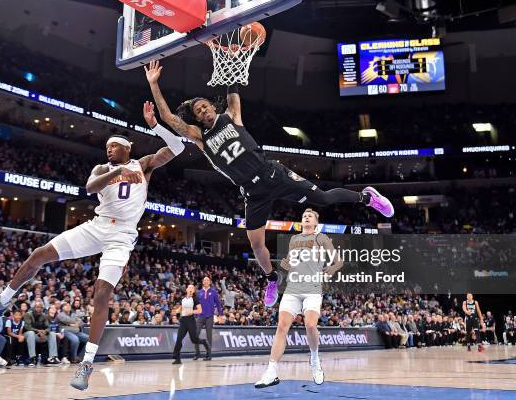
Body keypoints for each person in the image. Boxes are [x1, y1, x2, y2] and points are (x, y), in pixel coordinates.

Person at [0, 102, 185, 390]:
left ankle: (86, 365)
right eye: (107, 146)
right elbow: (91, 187)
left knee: (101, 294)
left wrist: (157, 126)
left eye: (114, 146)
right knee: (39, 254)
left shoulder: (143, 165)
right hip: (96, 226)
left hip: (121, 236)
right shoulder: (101, 168)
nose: (109, 149)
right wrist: (117, 174)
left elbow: (178, 148)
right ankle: (3, 299)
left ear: (127, 150)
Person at [144, 60, 394, 308]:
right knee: (255, 244)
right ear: (196, 118)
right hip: (253, 193)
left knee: (325, 200)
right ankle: (272, 279)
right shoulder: (199, 137)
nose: (204, 112)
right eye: (199, 111)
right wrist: (154, 84)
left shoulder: (231, 115)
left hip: (273, 174)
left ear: (213, 106)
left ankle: (368, 198)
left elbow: (233, 85)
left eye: (206, 106)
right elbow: (167, 116)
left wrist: (231, 56)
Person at [255, 208, 343, 388]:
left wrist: (332, 269)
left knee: (310, 325)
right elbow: (290, 262)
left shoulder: (322, 238)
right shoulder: (294, 239)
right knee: (281, 327)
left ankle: (315, 359)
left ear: (316, 222)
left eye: (310, 216)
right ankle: (271, 371)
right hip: (292, 289)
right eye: (304, 216)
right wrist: (285, 264)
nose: (306, 217)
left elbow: (338, 261)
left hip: (312, 288)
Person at [172, 284, 210, 364]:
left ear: (193, 291)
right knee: (179, 339)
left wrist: (192, 311)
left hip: (191, 321)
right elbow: (181, 308)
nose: (190, 289)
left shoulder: (195, 299)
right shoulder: (183, 299)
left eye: (192, 288)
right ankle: (177, 358)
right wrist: (177, 310)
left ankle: (204, 342)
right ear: (186, 289)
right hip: (183, 320)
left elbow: (200, 310)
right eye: (189, 287)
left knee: (194, 340)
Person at [194, 276, 222, 361]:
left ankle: (208, 354)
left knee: (209, 336)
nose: (206, 281)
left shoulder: (214, 292)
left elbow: (218, 303)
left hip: (210, 316)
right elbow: (195, 304)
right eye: (204, 280)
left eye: (207, 280)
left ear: (210, 282)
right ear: (202, 282)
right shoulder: (198, 292)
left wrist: (220, 314)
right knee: (195, 335)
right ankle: (197, 353)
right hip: (200, 316)